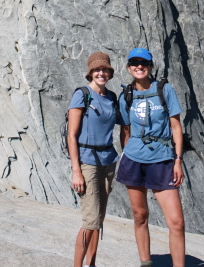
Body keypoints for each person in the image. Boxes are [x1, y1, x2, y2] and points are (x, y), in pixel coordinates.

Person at [117, 48, 185, 267]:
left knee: (176, 222)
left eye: (143, 63)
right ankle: (146, 263)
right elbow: (125, 130)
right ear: (129, 68)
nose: (139, 66)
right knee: (139, 216)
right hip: (134, 159)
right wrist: (125, 156)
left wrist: (178, 160)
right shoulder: (126, 95)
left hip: (163, 159)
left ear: (150, 66)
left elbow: (176, 127)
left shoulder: (165, 90)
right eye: (134, 63)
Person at [68, 51, 126, 267]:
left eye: (105, 69)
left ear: (109, 73)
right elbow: (71, 136)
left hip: (108, 161)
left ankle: (91, 264)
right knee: (90, 221)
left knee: (98, 221)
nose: (101, 73)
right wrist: (76, 171)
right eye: (97, 69)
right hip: (87, 162)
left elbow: (124, 125)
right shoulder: (82, 95)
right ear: (90, 73)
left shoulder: (111, 98)